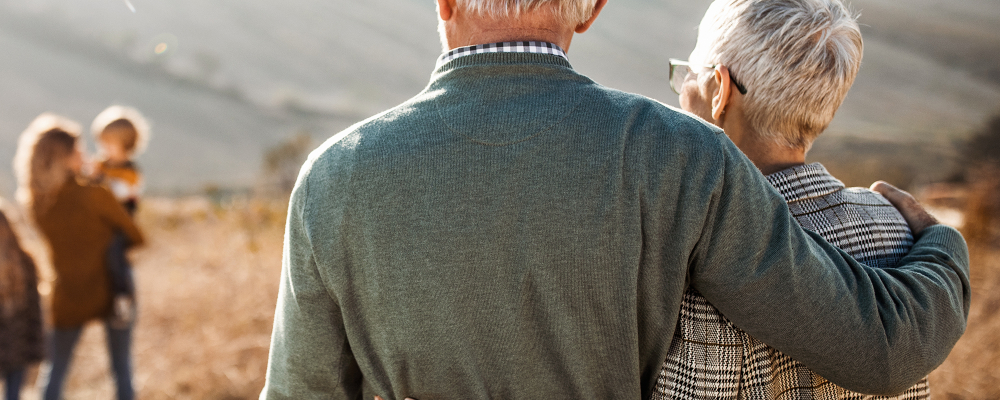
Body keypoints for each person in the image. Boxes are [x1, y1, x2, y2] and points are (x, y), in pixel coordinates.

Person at [260, 1, 970, 399]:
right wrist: (940, 246)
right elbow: (872, 346)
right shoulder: (679, 154)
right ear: (592, 9)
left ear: (444, 3)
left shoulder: (335, 176)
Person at [655, 0, 934, 398]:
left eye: (688, 76)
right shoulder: (897, 229)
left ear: (719, 89)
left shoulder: (693, 247)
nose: (682, 93)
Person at [13, 113, 145, 400]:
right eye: (78, 150)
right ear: (65, 157)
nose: (86, 155)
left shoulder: (35, 203)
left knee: (55, 372)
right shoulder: (94, 194)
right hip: (113, 286)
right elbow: (136, 235)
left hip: (67, 292)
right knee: (121, 368)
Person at [89, 105, 151, 329]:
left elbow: (122, 192)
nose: (103, 148)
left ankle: (122, 298)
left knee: (115, 255)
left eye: (109, 143)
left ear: (126, 145)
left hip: (121, 226)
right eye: (101, 142)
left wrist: (100, 179)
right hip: (101, 225)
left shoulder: (131, 171)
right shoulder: (101, 165)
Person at [0, 202, 44, 400]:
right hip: (19, 348)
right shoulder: (26, 260)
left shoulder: (25, 261)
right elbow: (35, 312)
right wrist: (37, 348)